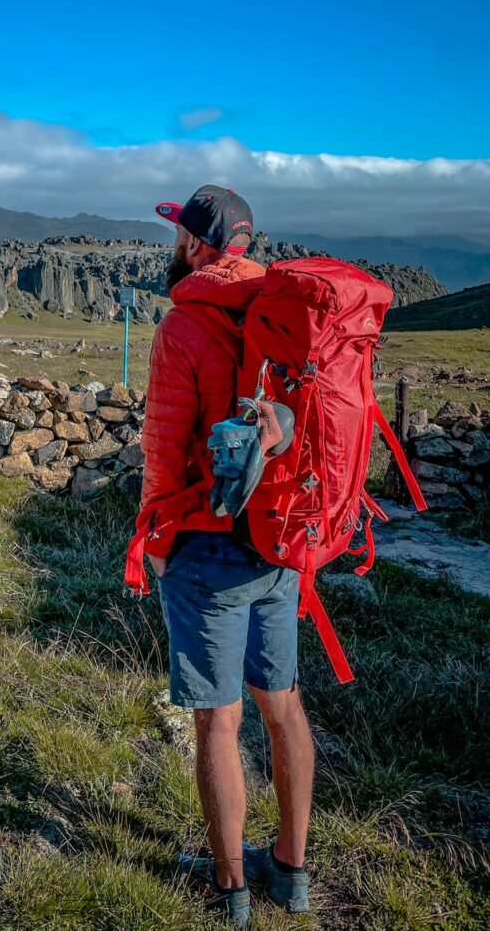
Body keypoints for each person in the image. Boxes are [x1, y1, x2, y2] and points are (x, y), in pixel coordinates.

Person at [139, 185, 313, 925]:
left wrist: (154, 539)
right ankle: (293, 872)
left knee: (218, 721)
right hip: (278, 541)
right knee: (284, 708)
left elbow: (163, 449)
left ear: (198, 247)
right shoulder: (283, 312)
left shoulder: (183, 323)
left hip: (208, 550)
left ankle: (229, 888)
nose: (176, 245)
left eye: (182, 234)